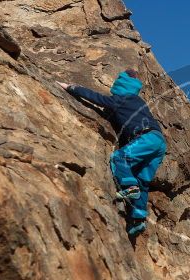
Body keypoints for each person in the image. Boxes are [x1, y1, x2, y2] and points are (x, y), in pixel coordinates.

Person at [57, 69, 166, 237]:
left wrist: (71, 87)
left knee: (119, 158)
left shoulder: (120, 100)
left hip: (145, 138)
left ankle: (130, 187)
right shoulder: (138, 101)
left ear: (120, 85)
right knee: (142, 179)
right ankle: (138, 219)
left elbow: (96, 98)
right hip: (158, 142)